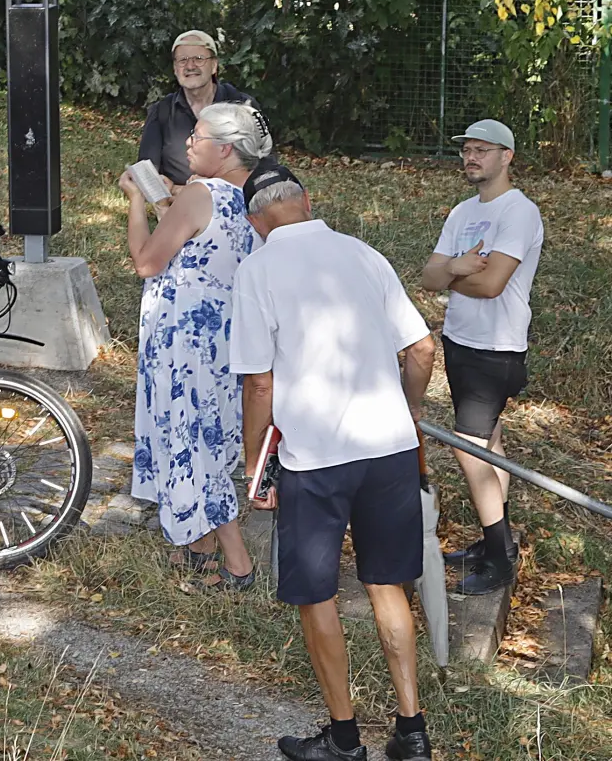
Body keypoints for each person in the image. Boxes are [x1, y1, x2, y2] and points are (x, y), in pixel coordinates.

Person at [230, 164, 437, 761]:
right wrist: (410, 411)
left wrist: (254, 465)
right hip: (389, 445)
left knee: (316, 594)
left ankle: (345, 739)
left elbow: (259, 385)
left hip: (315, 457)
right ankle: (411, 731)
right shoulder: (363, 254)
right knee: (386, 585)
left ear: (253, 222)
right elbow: (421, 348)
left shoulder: (258, 269)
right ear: (307, 202)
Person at [120, 102, 265, 591]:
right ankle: (199, 546)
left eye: (197, 137)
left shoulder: (200, 193)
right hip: (227, 337)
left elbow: (146, 262)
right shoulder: (257, 198)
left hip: (182, 339)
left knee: (190, 439)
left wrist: (136, 200)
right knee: (212, 437)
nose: (187, 142)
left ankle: (237, 563)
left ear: (224, 149)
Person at [419, 119, 542, 597]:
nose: (471, 158)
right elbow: (429, 278)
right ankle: (498, 543)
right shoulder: (462, 213)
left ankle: (499, 558)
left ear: (506, 156)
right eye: (467, 150)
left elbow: (492, 286)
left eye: (482, 151)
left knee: (466, 447)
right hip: (460, 340)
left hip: (496, 348)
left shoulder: (519, 212)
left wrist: (450, 272)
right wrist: (455, 267)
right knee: (488, 443)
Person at [137, 30, 274, 185]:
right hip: (179, 206)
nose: (190, 66)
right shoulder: (161, 111)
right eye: (182, 60)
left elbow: (266, 168)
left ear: (214, 65)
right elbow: (146, 172)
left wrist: (208, 187)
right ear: (175, 69)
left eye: (199, 58)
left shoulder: (243, 106)